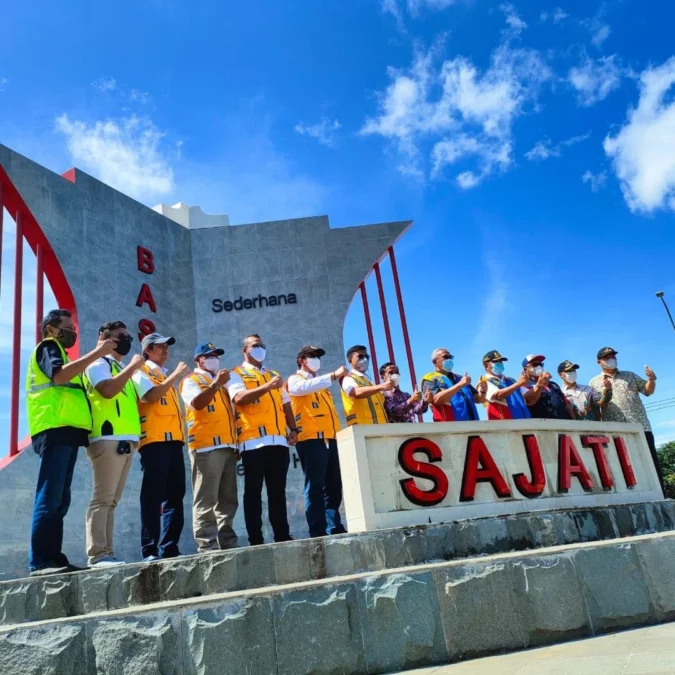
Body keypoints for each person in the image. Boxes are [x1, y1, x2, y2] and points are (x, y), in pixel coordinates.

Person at [26, 309, 116, 576]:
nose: (73, 332)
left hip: (67, 432)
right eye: (68, 326)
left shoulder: (63, 354)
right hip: (53, 429)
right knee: (49, 497)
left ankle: (53, 558)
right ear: (52, 328)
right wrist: (97, 353)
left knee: (60, 499)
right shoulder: (48, 347)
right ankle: (40, 561)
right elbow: (58, 376)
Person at [226, 334, 297, 546]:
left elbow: (286, 404)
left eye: (262, 345)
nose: (260, 348)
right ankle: (255, 538)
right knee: (253, 492)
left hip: (278, 441)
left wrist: (293, 428)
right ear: (244, 350)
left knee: (278, 492)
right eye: (255, 345)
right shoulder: (235, 374)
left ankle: (282, 535)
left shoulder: (273, 374)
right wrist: (267, 387)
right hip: (253, 441)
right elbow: (239, 398)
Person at [83, 321, 144, 567]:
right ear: (105, 338)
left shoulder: (118, 367)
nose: (127, 340)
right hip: (106, 439)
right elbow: (107, 391)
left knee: (112, 500)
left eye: (128, 336)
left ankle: (106, 553)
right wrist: (131, 368)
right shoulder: (98, 364)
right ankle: (97, 555)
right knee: (102, 498)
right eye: (121, 336)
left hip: (125, 441)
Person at [132, 333, 189, 561]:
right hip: (153, 441)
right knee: (153, 496)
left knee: (176, 495)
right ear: (147, 350)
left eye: (167, 346)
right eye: (159, 346)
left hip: (174, 440)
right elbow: (150, 396)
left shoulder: (164, 375)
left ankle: (170, 547)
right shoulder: (140, 372)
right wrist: (175, 375)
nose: (165, 350)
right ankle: (150, 548)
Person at [180, 342, 239, 552]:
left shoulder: (221, 384)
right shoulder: (191, 381)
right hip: (206, 447)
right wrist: (216, 384)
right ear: (199, 360)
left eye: (216, 354)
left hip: (228, 446)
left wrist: (235, 442)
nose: (214, 358)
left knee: (228, 500)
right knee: (206, 499)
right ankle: (207, 546)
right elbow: (197, 404)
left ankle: (228, 543)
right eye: (209, 355)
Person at [286, 345, 348, 538]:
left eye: (317, 356)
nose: (316, 359)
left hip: (330, 437)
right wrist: (332, 376)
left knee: (334, 486)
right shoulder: (295, 380)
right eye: (311, 356)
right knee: (314, 486)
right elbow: (301, 389)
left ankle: (333, 525)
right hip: (311, 438)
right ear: (301, 360)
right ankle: (317, 529)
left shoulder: (320, 385)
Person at [589, 347, 663, 488]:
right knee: (624, 466)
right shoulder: (594, 382)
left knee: (651, 464)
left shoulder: (630, 375)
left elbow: (648, 391)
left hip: (641, 427)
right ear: (599, 362)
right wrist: (607, 391)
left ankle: (660, 494)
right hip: (616, 430)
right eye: (607, 358)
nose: (611, 359)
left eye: (613, 356)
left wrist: (651, 379)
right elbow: (599, 404)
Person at [422, 348, 487, 422]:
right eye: (446, 357)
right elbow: (436, 400)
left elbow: (478, 399)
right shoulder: (430, 378)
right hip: (450, 427)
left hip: (473, 425)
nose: (449, 359)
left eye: (451, 357)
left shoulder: (460, 378)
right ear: (435, 362)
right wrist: (460, 385)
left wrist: (483, 391)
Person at [340, 345, 392, 425]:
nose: (364, 359)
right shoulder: (348, 378)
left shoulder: (370, 383)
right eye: (360, 356)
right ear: (350, 360)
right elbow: (356, 392)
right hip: (360, 430)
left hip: (379, 429)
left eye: (366, 356)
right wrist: (382, 386)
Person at [481, 351, 530, 420]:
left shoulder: (511, 380)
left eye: (501, 361)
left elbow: (530, 397)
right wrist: (518, 384)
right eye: (496, 361)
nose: (500, 363)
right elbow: (498, 395)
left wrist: (539, 385)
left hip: (524, 423)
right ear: (486, 365)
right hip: (504, 425)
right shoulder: (485, 381)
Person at [521, 354, 574, 419]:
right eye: (535, 365)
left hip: (564, 424)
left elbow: (566, 404)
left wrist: (574, 421)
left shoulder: (553, 384)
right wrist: (539, 385)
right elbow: (529, 400)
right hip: (543, 426)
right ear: (525, 369)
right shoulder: (524, 386)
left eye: (541, 364)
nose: (539, 367)